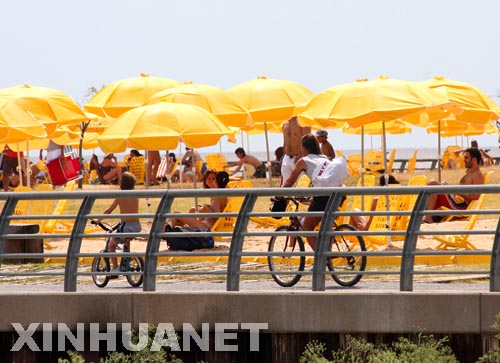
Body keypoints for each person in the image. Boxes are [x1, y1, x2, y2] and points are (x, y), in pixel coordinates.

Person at [282, 134, 347, 250]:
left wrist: (278, 195)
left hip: (323, 197)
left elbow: (289, 182)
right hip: (339, 195)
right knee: (324, 227)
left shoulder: (303, 161)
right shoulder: (325, 158)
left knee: (307, 227)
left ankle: (322, 259)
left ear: (303, 148)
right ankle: (327, 255)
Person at [422, 148, 484, 223]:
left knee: (433, 183)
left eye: (466, 158)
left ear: (474, 160)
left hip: (459, 206)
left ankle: (427, 217)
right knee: (438, 184)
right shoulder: (471, 173)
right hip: (456, 201)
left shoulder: (478, 175)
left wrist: (457, 192)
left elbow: (476, 196)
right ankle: (425, 215)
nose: (464, 160)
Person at [96, 171, 142, 273]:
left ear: (122, 183)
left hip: (126, 226)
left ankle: (115, 268)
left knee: (111, 245)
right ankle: (126, 259)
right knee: (127, 239)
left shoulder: (120, 195)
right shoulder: (136, 195)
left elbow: (108, 211)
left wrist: (98, 220)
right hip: (137, 226)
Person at [281, 116, 311, 186]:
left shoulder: (302, 122)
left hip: (299, 158)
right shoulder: (285, 124)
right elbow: (285, 142)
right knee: (285, 185)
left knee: (301, 185)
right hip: (287, 158)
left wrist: (301, 155)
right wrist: (283, 157)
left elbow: (308, 140)